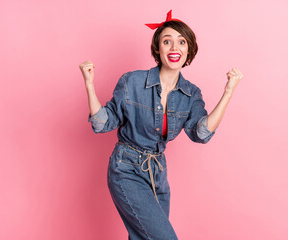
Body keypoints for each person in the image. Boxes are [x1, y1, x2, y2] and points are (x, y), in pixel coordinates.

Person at [79, 10, 243, 240]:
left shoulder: (191, 94)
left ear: (189, 50)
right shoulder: (132, 81)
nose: (174, 47)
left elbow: (201, 133)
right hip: (126, 168)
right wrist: (89, 84)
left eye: (181, 41)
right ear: (158, 49)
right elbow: (104, 123)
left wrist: (227, 93)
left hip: (157, 173)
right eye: (167, 41)